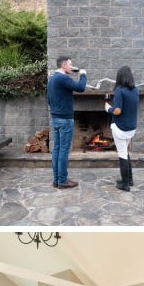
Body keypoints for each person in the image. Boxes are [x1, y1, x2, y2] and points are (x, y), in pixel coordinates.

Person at [47, 56, 87, 189]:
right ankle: (63, 181)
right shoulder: (63, 78)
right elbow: (81, 88)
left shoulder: (52, 78)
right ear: (63, 65)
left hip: (56, 118)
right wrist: (83, 74)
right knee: (63, 150)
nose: (72, 67)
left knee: (57, 149)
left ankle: (57, 179)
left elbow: (49, 99)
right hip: (65, 119)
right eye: (70, 64)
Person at [105, 65, 139, 192]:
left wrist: (108, 108)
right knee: (125, 152)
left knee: (122, 154)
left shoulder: (119, 90)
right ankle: (129, 180)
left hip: (120, 129)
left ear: (119, 77)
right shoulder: (135, 89)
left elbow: (118, 111)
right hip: (131, 128)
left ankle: (125, 184)